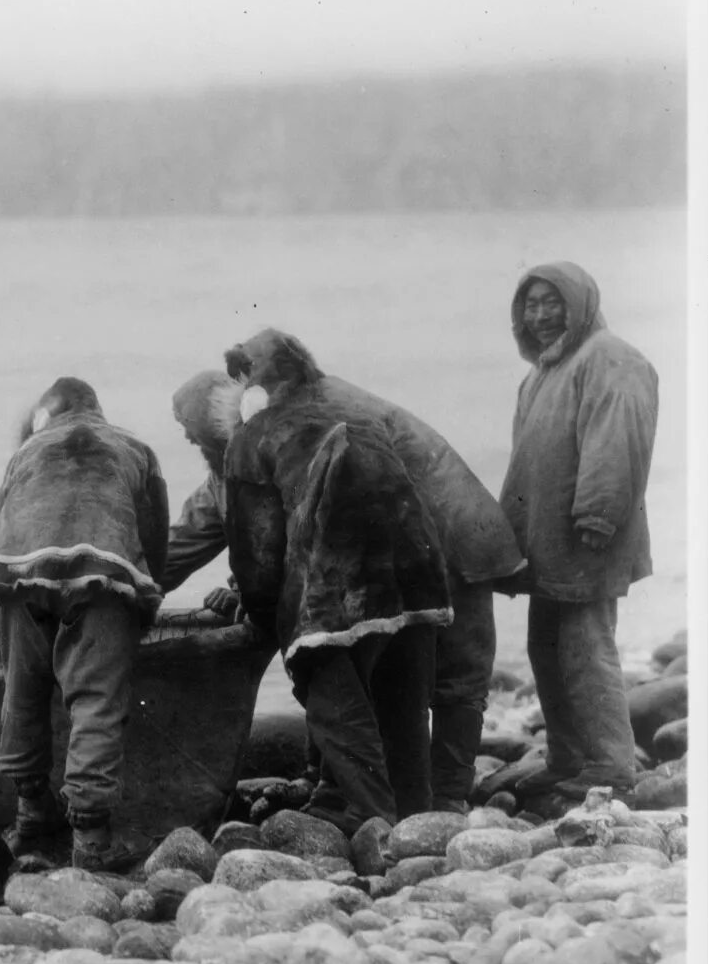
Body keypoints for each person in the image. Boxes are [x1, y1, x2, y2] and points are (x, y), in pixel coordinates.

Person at [224, 330, 526, 811]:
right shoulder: (341, 406)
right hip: (423, 556)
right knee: (406, 684)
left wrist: (263, 611)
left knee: (345, 681)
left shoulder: (262, 430)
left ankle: (392, 812)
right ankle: (421, 807)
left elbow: (260, 549)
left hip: (418, 549)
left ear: (248, 387)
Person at [0, 376, 169, 869]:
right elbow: (153, 537)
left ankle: (31, 816)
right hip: (102, 578)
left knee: (22, 694)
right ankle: (91, 841)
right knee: (97, 703)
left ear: (47, 414)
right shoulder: (135, 449)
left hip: (19, 578)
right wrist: (146, 603)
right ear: (97, 409)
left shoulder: (27, 451)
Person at [497, 262, 659, 813]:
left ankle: (612, 769)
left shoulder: (609, 358)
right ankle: (568, 759)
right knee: (546, 649)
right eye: (531, 305)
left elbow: (616, 443)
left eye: (552, 303)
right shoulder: (545, 370)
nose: (540, 316)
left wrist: (597, 517)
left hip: (588, 535)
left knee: (588, 649)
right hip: (546, 542)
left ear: (580, 303)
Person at [160, 370, 251, 622]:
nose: (188, 438)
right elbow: (178, 548)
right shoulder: (219, 481)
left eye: (189, 426)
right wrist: (123, 585)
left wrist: (243, 594)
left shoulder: (268, 466)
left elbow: (290, 549)